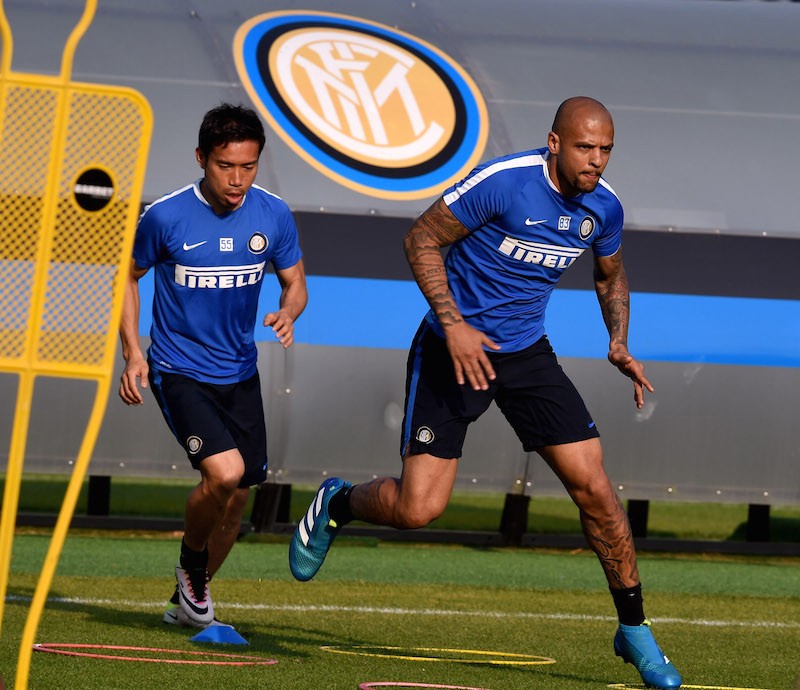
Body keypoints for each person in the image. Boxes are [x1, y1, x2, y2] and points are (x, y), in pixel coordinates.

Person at [289, 97, 682, 688]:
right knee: (418, 510)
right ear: (555, 142)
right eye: (585, 147)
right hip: (451, 349)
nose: (596, 160)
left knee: (597, 490)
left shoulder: (604, 207)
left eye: (605, 150)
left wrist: (618, 340)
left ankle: (634, 629)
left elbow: (610, 274)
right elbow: (421, 239)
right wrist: (453, 325)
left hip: (525, 354)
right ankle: (338, 503)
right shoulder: (504, 183)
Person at [119, 103, 307, 629]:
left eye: (248, 166)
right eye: (226, 166)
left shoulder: (273, 214)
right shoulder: (165, 216)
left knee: (237, 497)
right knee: (225, 473)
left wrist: (289, 312)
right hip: (179, 369)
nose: (238, 179)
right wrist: (133, 352)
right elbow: (127, 277)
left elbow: (295, 283)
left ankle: (188, 600)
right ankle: (190, 567)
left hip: (240, 373)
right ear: (202, 158)